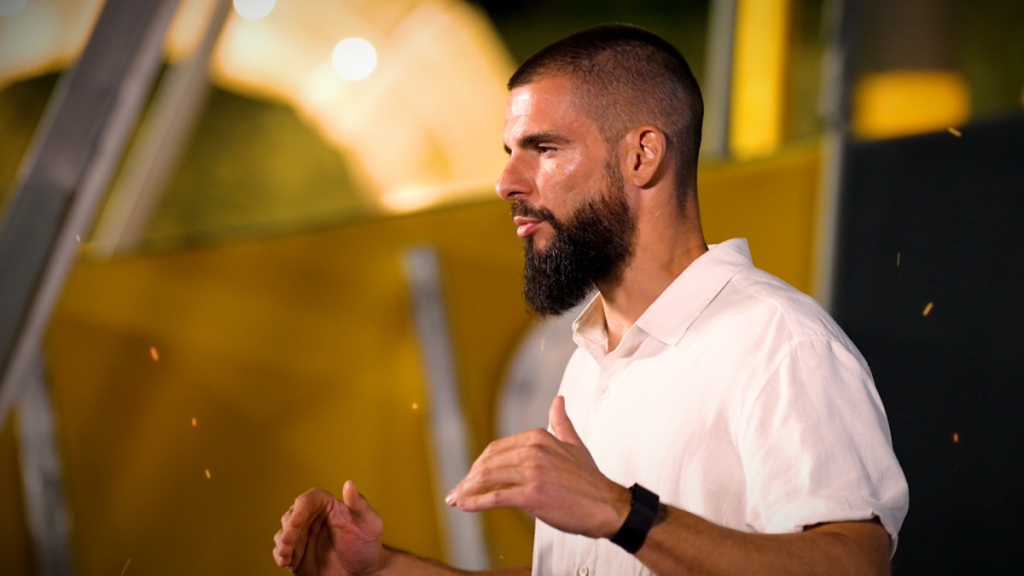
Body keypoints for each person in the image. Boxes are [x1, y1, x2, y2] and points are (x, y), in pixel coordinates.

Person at [272, 24, 909, 576]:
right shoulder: (589, 364)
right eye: (509, 152)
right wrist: (383, 568)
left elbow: (854, 565)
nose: (505, 182)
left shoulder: (779, 342)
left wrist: (616, 510)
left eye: (544, 148)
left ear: (642, 155)